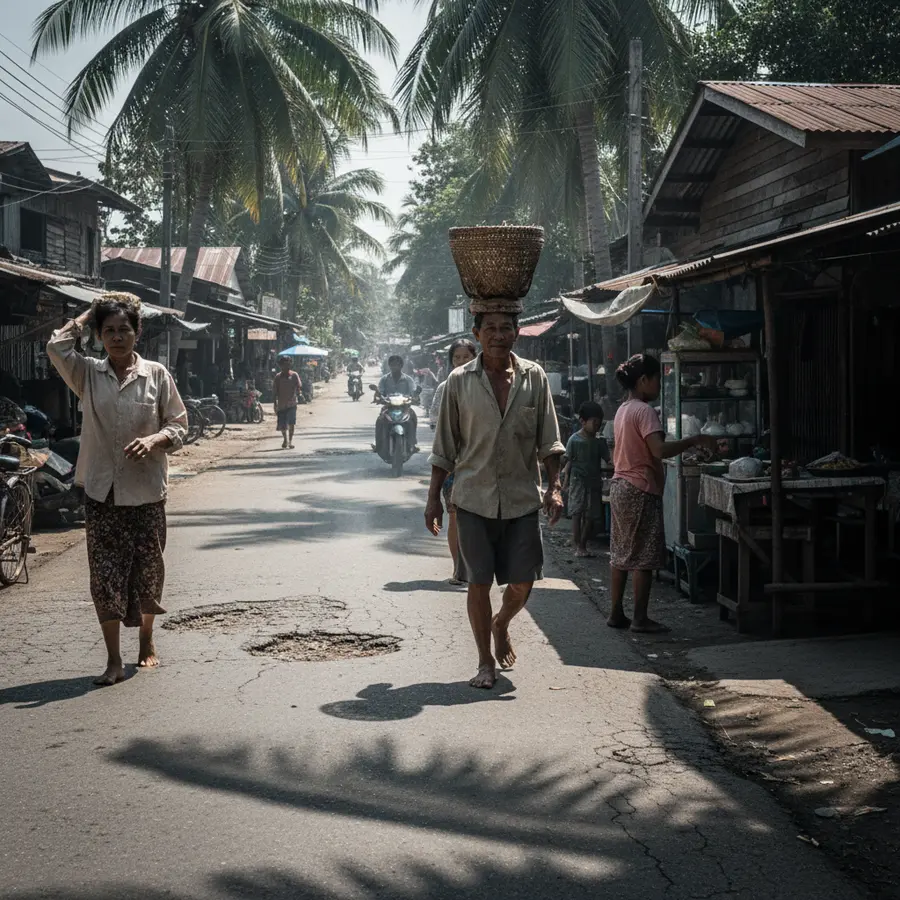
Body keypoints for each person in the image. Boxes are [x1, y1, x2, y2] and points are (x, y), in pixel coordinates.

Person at [46, 293, 187, 687]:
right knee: (104, 576)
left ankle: (146, 639)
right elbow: (56, 346)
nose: (117, 337)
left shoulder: (157, 374)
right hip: (101, 493)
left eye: (124, 329)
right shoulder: (88, 374)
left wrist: (155, 440)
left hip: (147, 492)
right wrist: (90, 312)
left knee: (148, 570)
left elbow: (179, 425)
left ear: (137, 333)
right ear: (99, 336)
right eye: (108, 331)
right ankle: (113, 659)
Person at [426, 313, 565, 689]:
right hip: (473, 497)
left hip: (522, 498)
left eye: (506, 328)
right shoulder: (458, 381)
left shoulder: (534, 377)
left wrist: (554, 487)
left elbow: (549, 441)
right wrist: (433, 499)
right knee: (478, 582)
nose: (499, 336)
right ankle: (485, 661)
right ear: (477, 334)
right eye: (490, 329)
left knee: (522, 581)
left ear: (517, 333)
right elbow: (444, 448)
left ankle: (501, 622)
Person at [609, 354, 717, 633]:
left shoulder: (623, 409)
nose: (659, 384)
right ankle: (640, 618)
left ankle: (616, 613)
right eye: (657, 378)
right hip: (639, 488)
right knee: (643, 557)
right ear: (643, 380)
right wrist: (693, 440)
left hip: (621, 486)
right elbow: (659, 450)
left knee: (621, 553)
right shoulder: (645, 411)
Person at [429, 339, 478, 585]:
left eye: (466, 357)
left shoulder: (486, 385)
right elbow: (436, 423)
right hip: (454, 465)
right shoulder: (445, 387)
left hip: (482, 463)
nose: (461, 362)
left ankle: (479, 568)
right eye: (457, 358)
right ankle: (459, 568)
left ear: (475, 358)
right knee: (455, 516)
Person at [562, 401, 610, 558]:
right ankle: (577, 544)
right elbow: (568, 461)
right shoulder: (574, 440)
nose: (597, 426)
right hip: (577, 482)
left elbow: (609, 460)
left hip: (594, 483)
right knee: (577, 513)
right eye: (594, 422)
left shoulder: (599, 442)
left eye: (599, 423)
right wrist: (565, 481)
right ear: (583, 421)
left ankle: (583, 544)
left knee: (590, 516)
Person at [377, 355, 419, 449]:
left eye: (397, 365)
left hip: (404, 407)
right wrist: (380, 397)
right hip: (388, 407)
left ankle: (413, 442)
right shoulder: (384, 379)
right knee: (380, 420)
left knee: (413, 417)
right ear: (389, 366)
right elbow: (380, 392)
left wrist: (415, 397)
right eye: (392, 365)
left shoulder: (408, 379)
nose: (394, 367)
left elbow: (413, 391)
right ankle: (378, 444)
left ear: (401, 366)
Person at [273, 355, 302, 449]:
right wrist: (275, 404)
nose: (287, 366)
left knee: (291, 423)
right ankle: (285, 439)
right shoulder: (278, 377)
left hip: (292, 403)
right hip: (281, 405)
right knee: (282, 425)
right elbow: (275, 391)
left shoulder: (294, 375)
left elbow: (298, 386)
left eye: (288, 364)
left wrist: (299, 393)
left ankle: (290, 441)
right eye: (284, 364)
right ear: (281, 366)